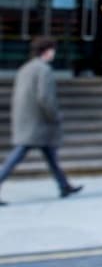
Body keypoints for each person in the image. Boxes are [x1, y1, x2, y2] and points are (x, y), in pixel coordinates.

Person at [0, 37, 83, 204]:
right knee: (18, 154)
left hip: (27, 119)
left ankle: (64, 185)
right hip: (38, 122)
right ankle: (64, 186)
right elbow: (45, 97)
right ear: (48, 51)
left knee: (50, 155)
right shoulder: (44, 70)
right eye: (53, 49)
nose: (54, 53)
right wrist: (55, 115)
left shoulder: (26, 68)